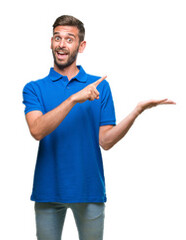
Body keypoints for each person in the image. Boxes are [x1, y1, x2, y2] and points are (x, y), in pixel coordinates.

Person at [21, 15, 173, 240]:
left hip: (89, 189)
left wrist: (136, 112)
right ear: (51, 42)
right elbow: (37, 130)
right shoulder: (34, 88)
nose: (61, 44)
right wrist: (73, 99)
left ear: (81, 46)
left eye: (69, 39)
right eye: (57, 38)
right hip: (48, 190)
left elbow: (106, 141)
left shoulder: (99, 87)